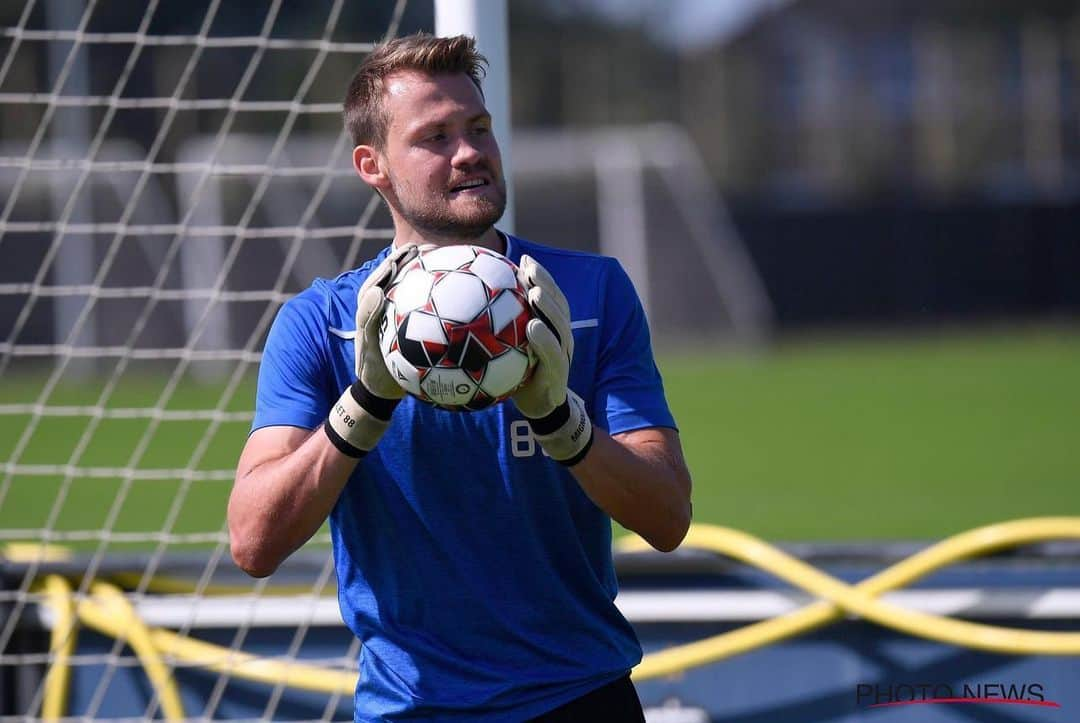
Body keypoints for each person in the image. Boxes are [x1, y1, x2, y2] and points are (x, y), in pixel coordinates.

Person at [227, 33, 692, 722]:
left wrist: (563, 423)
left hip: (579, 698)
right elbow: (252, 541)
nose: (469, 152)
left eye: (478, 129)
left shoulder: (586, 297)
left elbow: (668, 516)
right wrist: (365, 402)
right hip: (411, 709)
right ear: (373, 164)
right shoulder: (324, 324)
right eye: (435, 137)